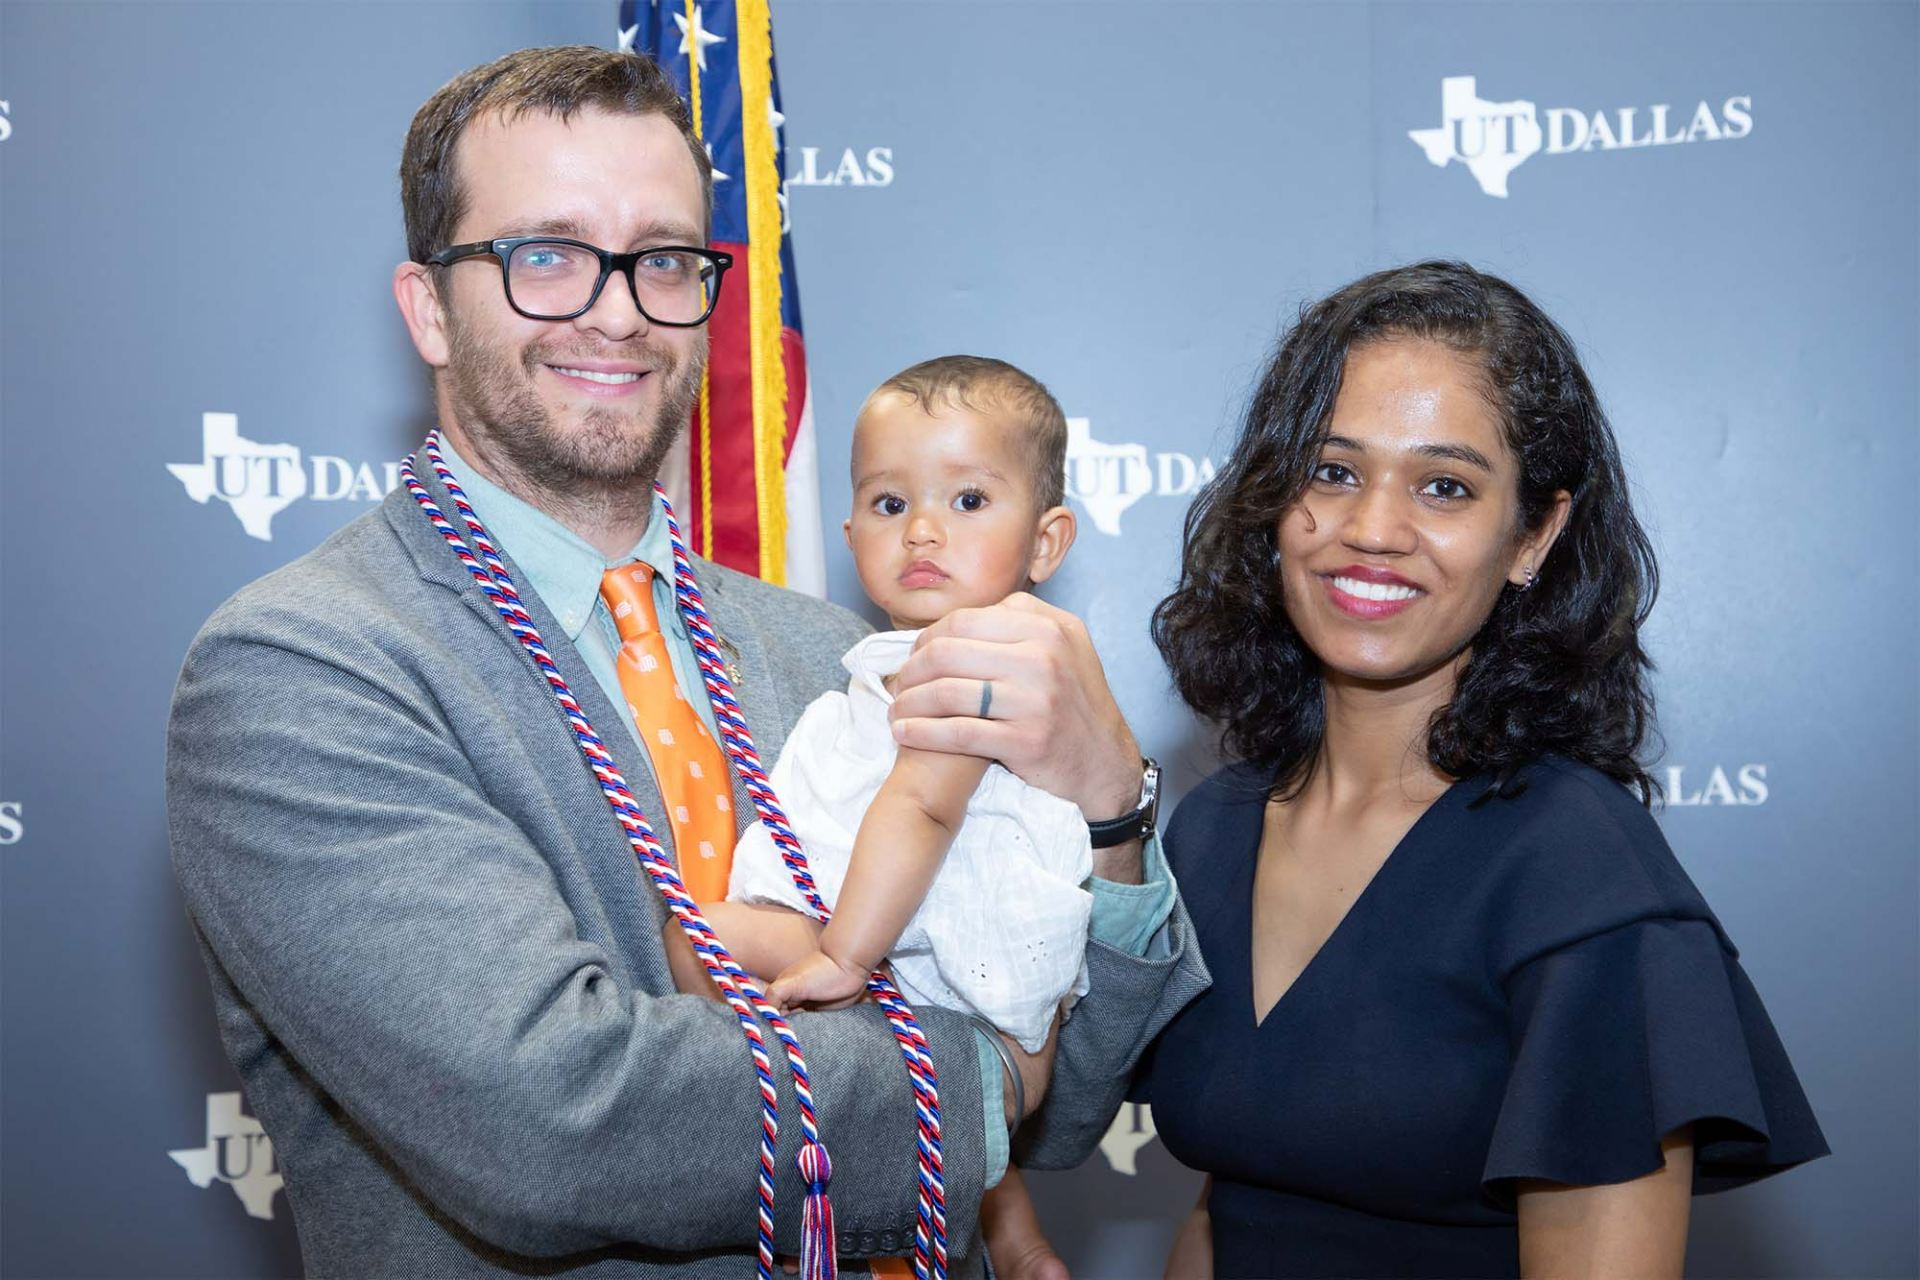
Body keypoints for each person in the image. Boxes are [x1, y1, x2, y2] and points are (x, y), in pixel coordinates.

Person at [165, 46, 1206, 1279]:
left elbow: (1068, 1103)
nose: (616, 309)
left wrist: (1112, 813)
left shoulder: (835, 650)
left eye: (662, 259)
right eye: (545, 254)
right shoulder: (305, 667)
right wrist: (978, 1075)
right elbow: (553, 1122)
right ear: (430, 306)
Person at [1139, 261, 1828, 1280]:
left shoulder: (1578, 872)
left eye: (1445, 486)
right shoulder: (1213, 827)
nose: (1373, 527)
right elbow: (1231, 1209)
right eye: (1332, 471)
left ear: (1533, 535)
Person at [673, 356, 1095, 1280]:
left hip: (938, 929)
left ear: (1046, 541)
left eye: (971, 501)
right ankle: (1008, 1235)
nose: (925, 531)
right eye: (891, 504)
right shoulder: (879, 661)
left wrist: (842, 958)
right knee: (706, 940)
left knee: (712, 943)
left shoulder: (984, 662)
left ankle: (829, 1130)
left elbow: (922, 806)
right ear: (851, 527)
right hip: (882, 923)